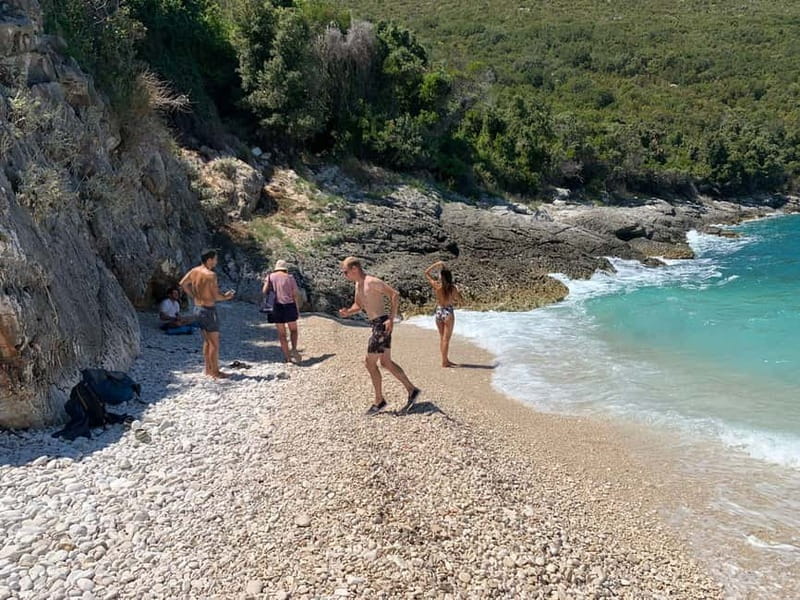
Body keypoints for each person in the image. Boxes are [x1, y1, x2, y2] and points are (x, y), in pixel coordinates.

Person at [338, 256, 421, 414]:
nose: (344, 275)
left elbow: (394, 294)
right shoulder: (358, 285)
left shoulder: (372, 281)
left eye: (345, 272)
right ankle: (412, 390)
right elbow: (359, 305)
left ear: (354, 269)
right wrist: (348, 312)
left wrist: (391, 319)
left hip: (382, 324)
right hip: (376, 325)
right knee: (386, 362)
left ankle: (379, 401)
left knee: (369, 363)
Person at [179, 249, 235, 379]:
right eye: (215, 259)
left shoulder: (194, 271)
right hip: (209, 310)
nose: (216, 261)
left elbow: (183, 284)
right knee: (214, 343)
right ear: (209, 259)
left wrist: (193, 295)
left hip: (197, 308)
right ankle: (215, 371)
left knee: (207, 341)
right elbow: (216, 296)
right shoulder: (211, 275)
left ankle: (207, 369)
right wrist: (226, 297)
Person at [424, 260, 464, 367]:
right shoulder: (452, 288)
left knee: (442, 338)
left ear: (441, 277)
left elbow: (426, 273)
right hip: (448, 312)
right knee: (446, 339)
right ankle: (444, 361)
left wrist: (436, 264)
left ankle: (445, 359)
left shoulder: (437, 285)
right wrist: (456, 298)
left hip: (438, 311)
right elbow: (460, 300)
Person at [262, 259, 301, 363]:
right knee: (293, 330)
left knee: (282, 334)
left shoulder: (270, 276)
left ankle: (287, 358)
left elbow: (264, 291)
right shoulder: (290, 277)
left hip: (275, 307)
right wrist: (296, 308)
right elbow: (295, 294)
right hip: (289, 305)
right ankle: (293, 349)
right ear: (285, 268)